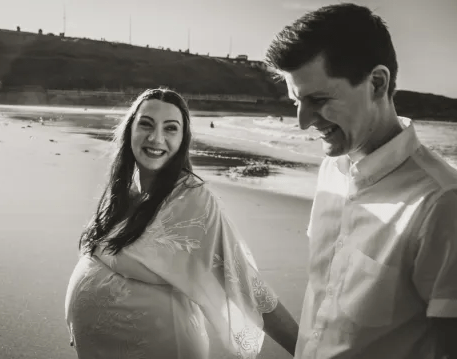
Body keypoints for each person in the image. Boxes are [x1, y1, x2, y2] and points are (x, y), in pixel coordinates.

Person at [265, 3, 457, 359]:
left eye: (318, 100)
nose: (303, 122)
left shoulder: (443, 204)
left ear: (377, 83)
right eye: (296, 101)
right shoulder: (331, 170)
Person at [64, 88, 299, 359]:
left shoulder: (193, 200)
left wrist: (307, 352)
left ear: (183, 139)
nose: (156, 138)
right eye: (146, 124)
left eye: (170, 128)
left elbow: (246, 282)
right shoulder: (123, 191)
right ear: (130, 128)